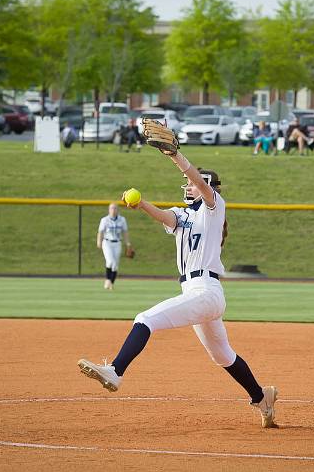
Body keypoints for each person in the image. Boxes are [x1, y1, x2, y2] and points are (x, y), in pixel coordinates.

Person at [78, 148, 278, 428]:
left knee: (145, 319)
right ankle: (262, 397)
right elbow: (164, 217)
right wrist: (141, 204)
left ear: (204, 187)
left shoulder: (214, 207)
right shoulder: (182, 215)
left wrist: (175, 156)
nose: (187, 186)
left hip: (207, 290)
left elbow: (195, 178)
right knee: (222, 355)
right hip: (195, 293)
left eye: (193, 184)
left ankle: (115, 371)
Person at [96, 203, 131, 290]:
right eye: (111, 208)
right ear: (109, 210)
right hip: (107, 242)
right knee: (110, 261)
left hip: (117, 243)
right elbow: (100, 232)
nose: (113, 210)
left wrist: (128, 243)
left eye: (115, 208)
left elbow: (125, 232)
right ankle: (108, 280)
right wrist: (99, 242)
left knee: (115, 265)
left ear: (117, 210)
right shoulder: (104, 220)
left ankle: (111, 283)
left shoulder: (122, 219)